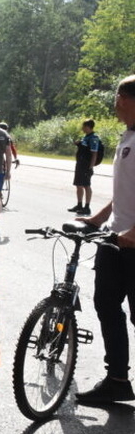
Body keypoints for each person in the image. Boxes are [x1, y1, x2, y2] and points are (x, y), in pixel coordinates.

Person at [76, 76, 135, 404]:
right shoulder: (128, 136)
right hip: (114, 238)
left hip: (133, 244)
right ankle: (117, 380)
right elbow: (124, 192)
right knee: (106, 306)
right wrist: (97, 219)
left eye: (118, 98)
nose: (115, 105)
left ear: (127, 99)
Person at [69, 119, 101, 216]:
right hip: (80, 164)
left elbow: (94, 154)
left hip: (86, 166)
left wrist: (90, 167)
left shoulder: (94, 138)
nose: (82, 128)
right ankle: (79, 205)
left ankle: (87, 207)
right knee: (78, 184)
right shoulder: (86, 137)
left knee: (86, 185)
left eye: (83, 126)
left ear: (88, 127)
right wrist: (78, 144)